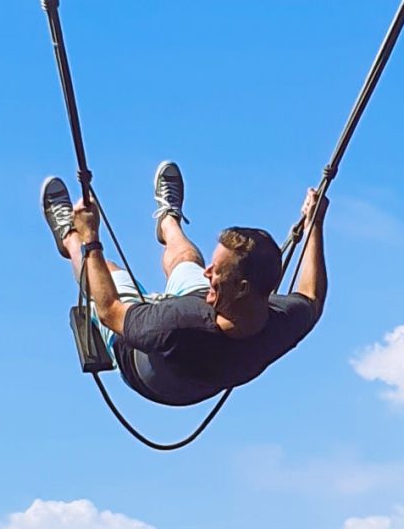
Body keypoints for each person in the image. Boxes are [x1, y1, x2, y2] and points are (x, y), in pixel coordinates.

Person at [40, 161, 326, 406]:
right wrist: (315, 223)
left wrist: (90, 236)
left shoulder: (174, 326)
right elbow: (312, 298)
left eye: (218, 271)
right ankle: (168, 219)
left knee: (104, 271)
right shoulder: (280, 320)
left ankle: (68, 237)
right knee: (186, 257)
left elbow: (109, 310)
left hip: (145, 367)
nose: (208, 272)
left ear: (242, 287)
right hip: (204, 340)